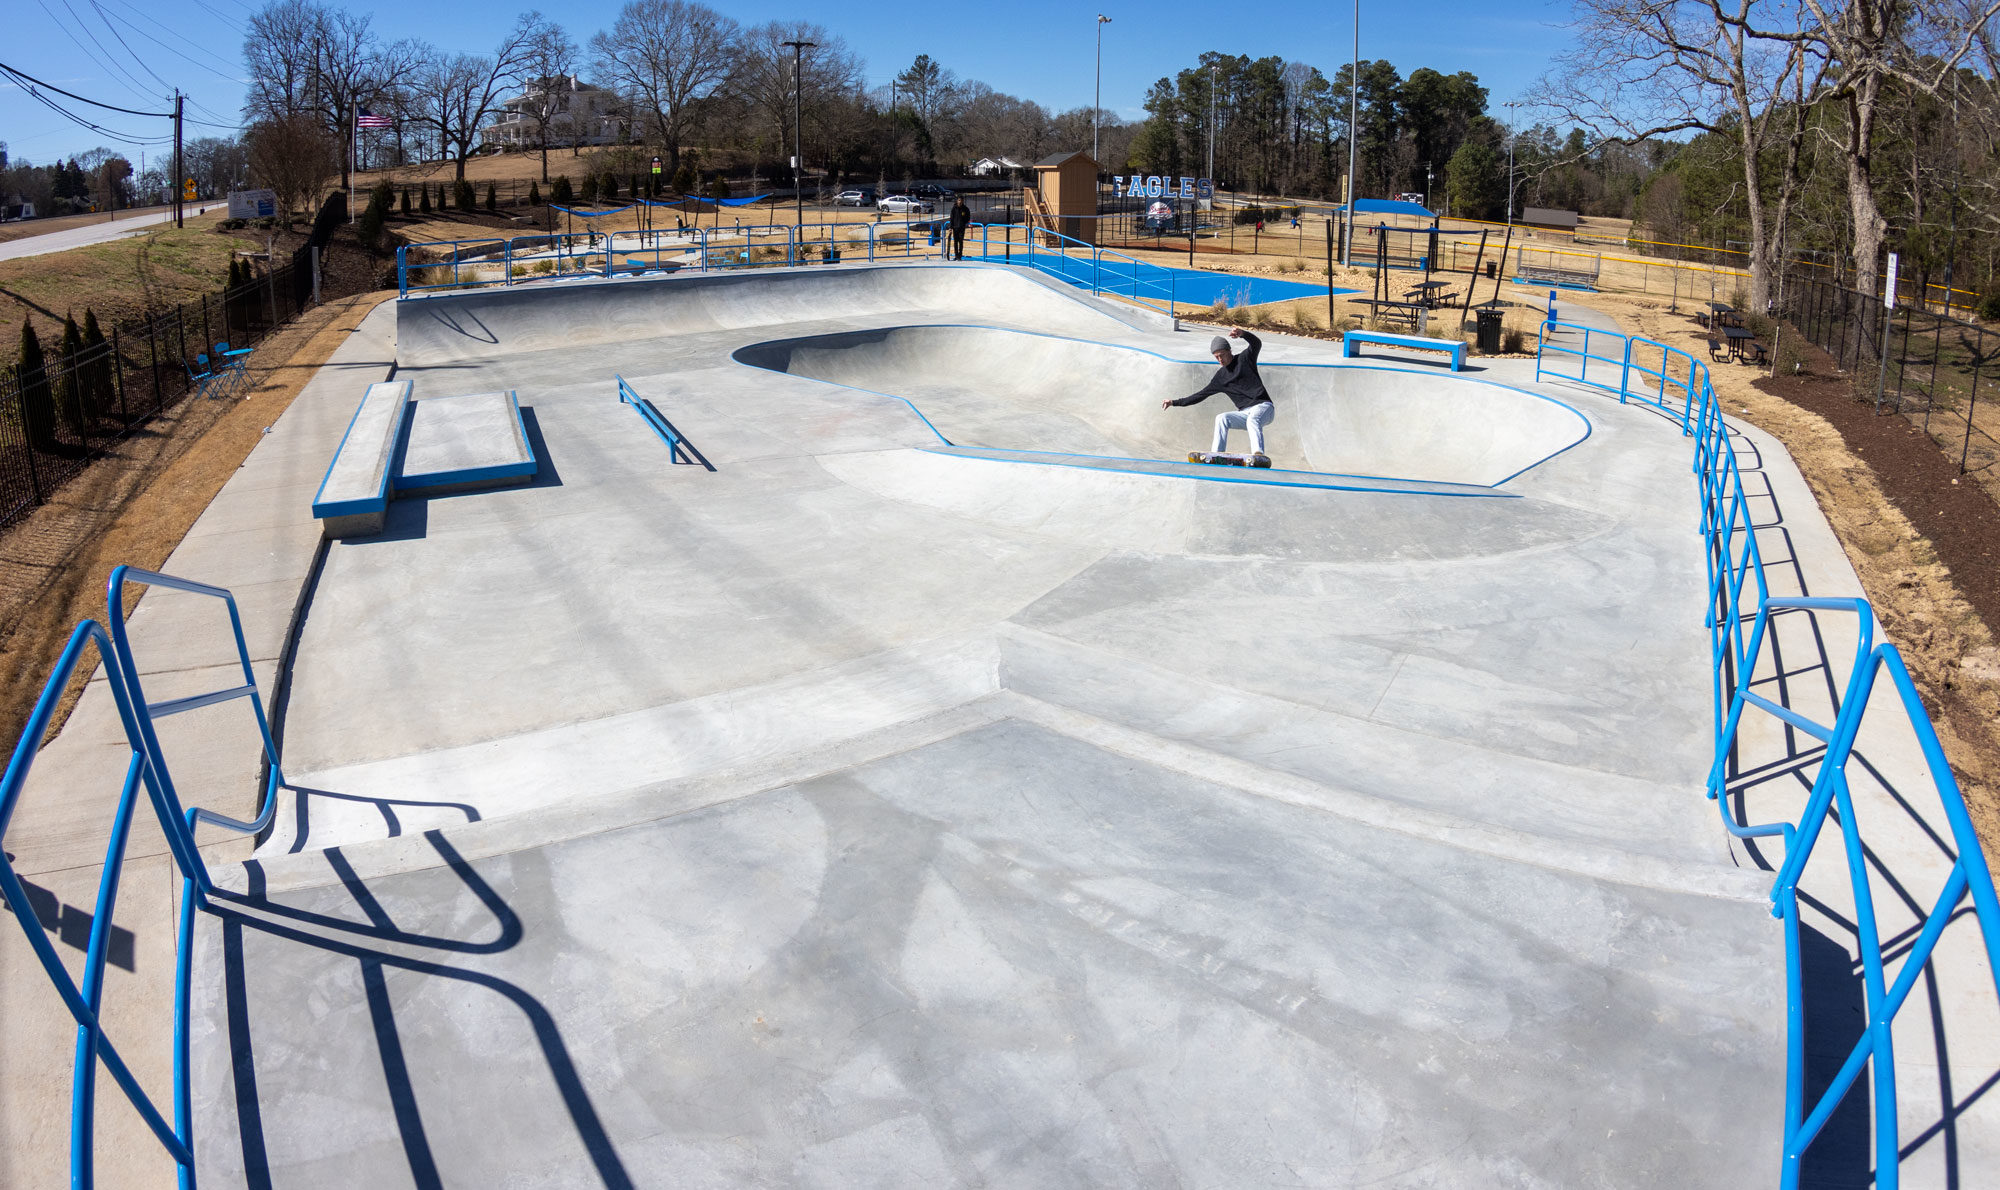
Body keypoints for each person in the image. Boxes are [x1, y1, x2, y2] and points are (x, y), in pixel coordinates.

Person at [1162, 327, 1274, 457]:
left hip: (1264, 407)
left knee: (1253, 419)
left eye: (1222, 355)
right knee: (1222, 418)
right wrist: (1173, 402)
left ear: (1229, 351)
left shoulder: (1244, 359)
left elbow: (1256, 343)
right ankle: (1216, 455)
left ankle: (1258, 454)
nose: (1220, 360)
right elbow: (1200, 395)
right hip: (1245, 413)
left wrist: (1243, 334)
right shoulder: (1220, 377)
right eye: (1216, 357)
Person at [948, 196, 972, 260]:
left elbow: (968, 217)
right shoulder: (954, 208)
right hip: (955, 228)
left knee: (960, 241)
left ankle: (960, 255)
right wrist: (950, 227)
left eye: (961, 200)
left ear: (963, 201)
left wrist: (964, 222)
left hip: (962, 227)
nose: (960, 202)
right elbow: (951, 218)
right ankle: (956, 255)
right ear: (957, 201)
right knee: (955, 242)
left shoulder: (965, 209)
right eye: (959, 200)